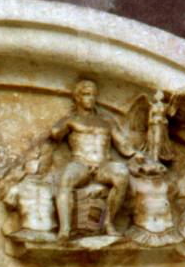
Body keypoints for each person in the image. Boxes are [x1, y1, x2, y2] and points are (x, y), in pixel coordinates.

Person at [49, 79, 138, 240]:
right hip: (80, 163)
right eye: (86, 94)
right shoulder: (72, 119)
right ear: (77, 97)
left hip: (103, 164)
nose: (90, 98)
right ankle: (65, 229)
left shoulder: (107, 121)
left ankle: (108, 222)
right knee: (66, 178)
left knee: (121, 174)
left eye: (93, 95)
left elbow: (124, 146)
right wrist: (65, 122)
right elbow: (55, 133)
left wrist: (140, 153)